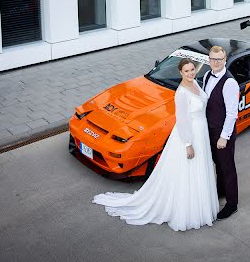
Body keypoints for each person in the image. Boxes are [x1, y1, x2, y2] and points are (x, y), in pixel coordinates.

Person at [93, 58, 219, 231]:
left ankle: (198, 203)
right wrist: (188, 144)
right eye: (187, 71)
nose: (190, 73)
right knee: (186, 171)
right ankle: (186, 209)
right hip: (189, 134)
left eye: (192, 70)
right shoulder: (181, 93)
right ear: (181, 73)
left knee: (199, 168)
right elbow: (182, 120)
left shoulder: (196, 84)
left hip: (201, 131)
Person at [203, 45, 239, 220]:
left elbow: (232, 113)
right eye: (212, 59)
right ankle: (221, 191)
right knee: (217, 165)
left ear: (225, 60)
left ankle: (232, 204)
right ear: (208, 59)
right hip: (209, 130)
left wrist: (224, 137)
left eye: (219, 59)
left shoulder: (229, 82)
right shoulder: (207, 76)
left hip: (222, 132)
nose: (215, 62)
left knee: (227, 168)